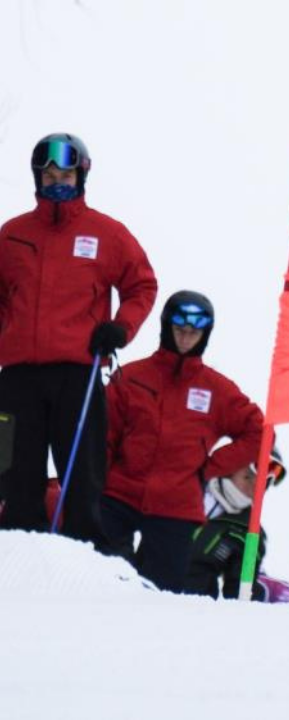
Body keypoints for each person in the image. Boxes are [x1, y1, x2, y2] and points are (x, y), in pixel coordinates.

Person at [0, 133, 157, 541]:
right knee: (14, 471)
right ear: (37, 177)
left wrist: (120, 328)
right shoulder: (12, 235)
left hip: (77, 372)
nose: (57, 183)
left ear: (81, 177)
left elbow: (142, 285)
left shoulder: (107, 233)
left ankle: (83, 554)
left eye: (65, 176)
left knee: (82, 473)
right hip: (18, 375)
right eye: (49, 175)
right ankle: (16, 548)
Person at [100, 291, 263, 592]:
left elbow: (260, 433)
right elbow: (103, 436)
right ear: (166, 328)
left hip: (176, 507)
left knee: (159, 598)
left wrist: (208, 468)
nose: (186, 338)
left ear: (205, 335)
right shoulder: (131, 377)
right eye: (179, 330)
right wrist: (97, 482)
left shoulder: (217, 390)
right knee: (104, 584)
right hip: (119, 495)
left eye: (194, 332)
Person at [185, 446, 289, 601]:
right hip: (149, 588)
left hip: (186, 604)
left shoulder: (248, 531)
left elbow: (241, 593)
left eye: (264, 482)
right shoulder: (188, 485)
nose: (255, 483)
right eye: (249, 476)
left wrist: (268, 594)